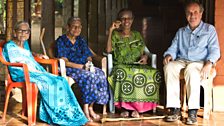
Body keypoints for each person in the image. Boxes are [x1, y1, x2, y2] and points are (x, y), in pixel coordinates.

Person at [3, 21, 88, 125]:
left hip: (34, 72)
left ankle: (69, 113)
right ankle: (56, 116)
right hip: (21, 73)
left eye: (26, 32)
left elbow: (28, 55)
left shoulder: (25, 44)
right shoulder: (9, 46)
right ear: (14, 32)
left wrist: (37, 55)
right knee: (48, 82)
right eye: (21, 31)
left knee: (61, 80)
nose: (23, 34)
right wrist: (32, 69)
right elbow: (17, 62)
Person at [163, 1, 220, 125]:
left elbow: (215, 50)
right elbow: (173, 48)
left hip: (200, 62)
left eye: (195, 12)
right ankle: (174, 109)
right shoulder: (181, 31)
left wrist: (209, 63)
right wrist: (169, 55)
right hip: (183, 61)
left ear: (201, 13)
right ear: (185, 15)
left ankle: (192, 111)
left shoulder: (209, 30)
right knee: (169, 67)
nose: (192, 15)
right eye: (189, 13)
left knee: (192, 69)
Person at [106, 8, 161, 118]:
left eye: (129, 18)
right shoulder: (115, 34)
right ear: (119, 20)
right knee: (122, 72)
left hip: (137, 64)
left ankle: (138, 108)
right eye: (123, 18)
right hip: (120, 65)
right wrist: (111, 30)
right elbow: (108, 51)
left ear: (133, 20)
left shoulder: (137, 35)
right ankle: (124, 108)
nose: (126, 21)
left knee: (153, 73)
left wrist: (145, 57)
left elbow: (143, 52)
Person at [55, 17, 109, 122]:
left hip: (84, 67)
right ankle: (85, 109)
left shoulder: (81, 40)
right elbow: (65, 62)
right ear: (68, 27)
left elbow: (88, 56)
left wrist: (89, 64)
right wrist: (82, 67)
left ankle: (91, 106)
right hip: (70, 68)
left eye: (79, 27)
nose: (77, 29)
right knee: (89, 76)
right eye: (74, 26)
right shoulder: (61, 41)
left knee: (101, 74)